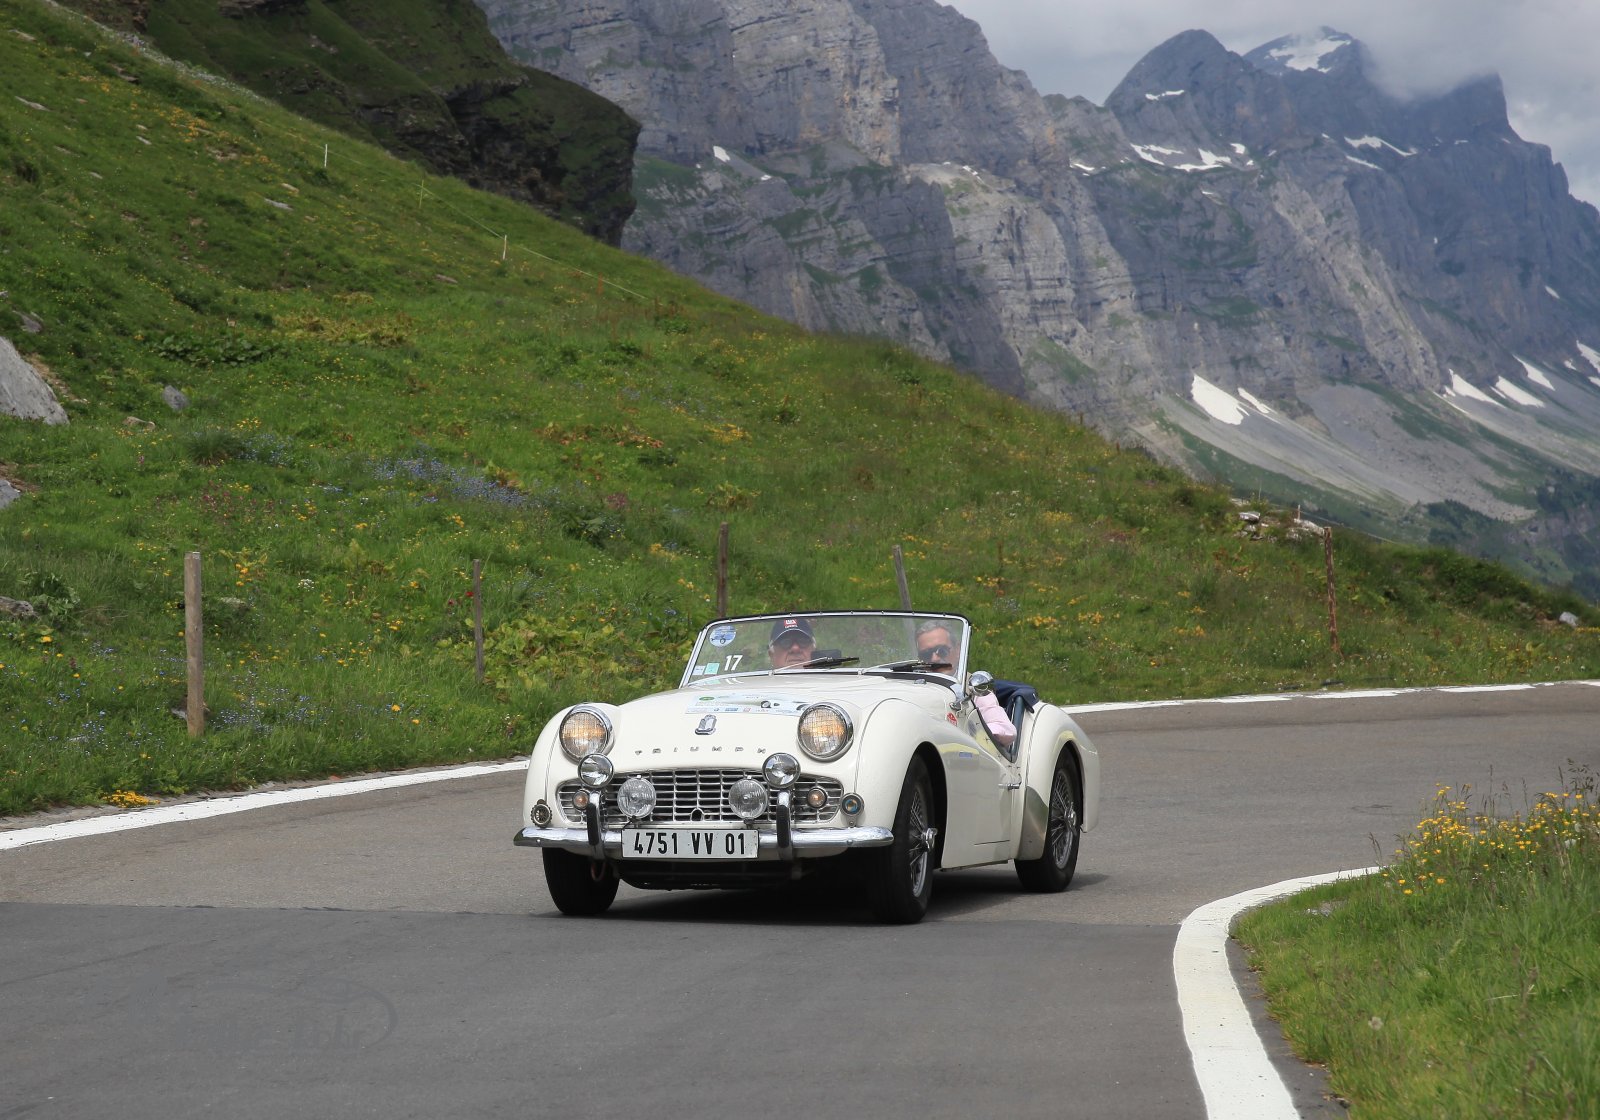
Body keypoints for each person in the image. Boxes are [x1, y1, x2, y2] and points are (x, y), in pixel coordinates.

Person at [915, 620, 1016, 748]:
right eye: (926, 654)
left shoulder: (974, 688)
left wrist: (967, 735)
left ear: (958, 650)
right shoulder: (910, 686)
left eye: (942, 650)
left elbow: (1004, 729)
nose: (934, 659)